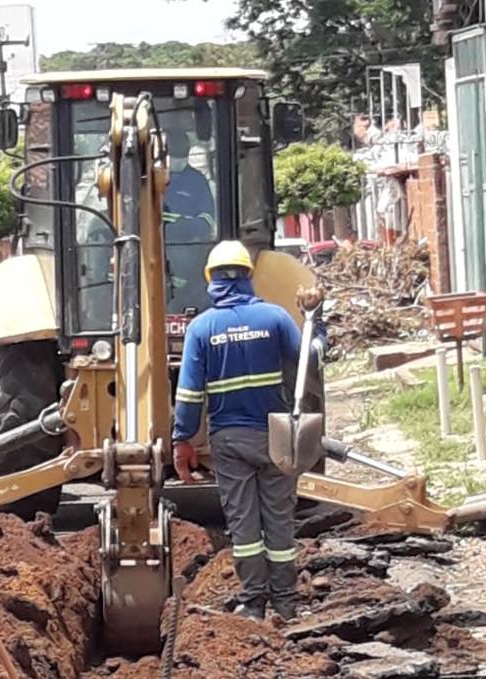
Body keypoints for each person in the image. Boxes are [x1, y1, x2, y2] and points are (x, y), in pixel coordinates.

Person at [171, 240, 325, 621]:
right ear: (248, 276)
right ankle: (286, 603)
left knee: (244, 523)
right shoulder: (274, 318)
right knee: (278, 518)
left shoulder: (202, 329)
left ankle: (254, 602)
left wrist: (183, 440)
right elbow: (312, 357)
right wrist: (314, 322)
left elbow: (189, 394)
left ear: (210, 280)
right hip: (276, 437)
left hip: (229, 440)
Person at [163, 129, 216, 243]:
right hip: (157, 243)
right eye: (175, 159)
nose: (179, 163)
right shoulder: (152, 178)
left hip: (191, 245)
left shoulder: (197, 180)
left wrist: (186, 227)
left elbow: (208, 218)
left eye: (183, 159)